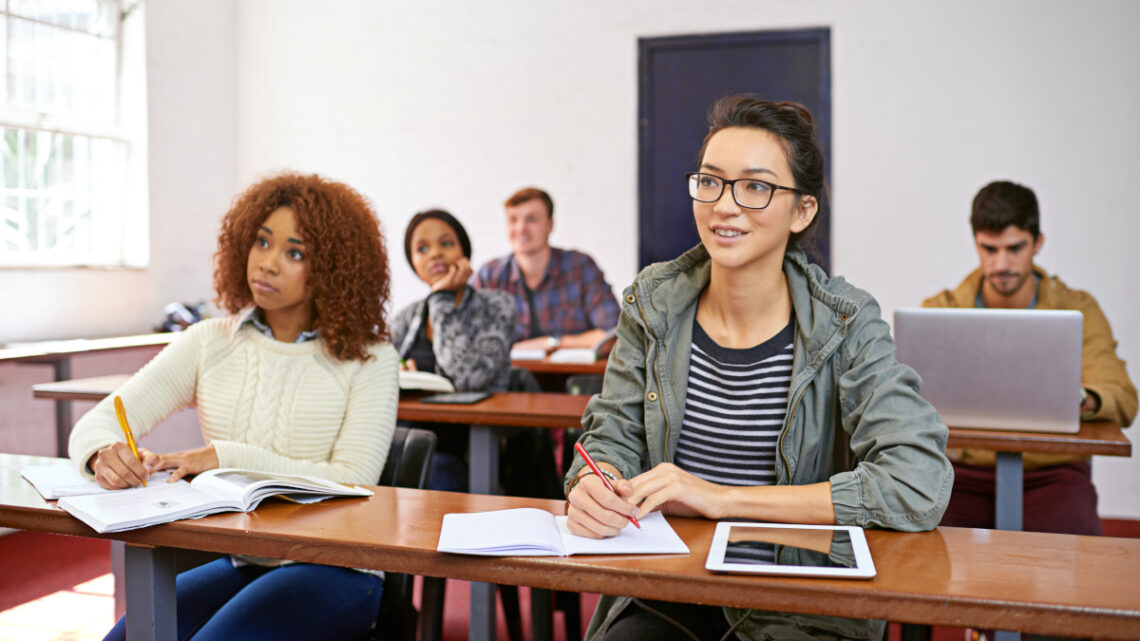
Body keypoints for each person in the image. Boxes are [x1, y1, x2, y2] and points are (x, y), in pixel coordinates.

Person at [564, 95, 953, 641]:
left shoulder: (845, 322)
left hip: (800, 596)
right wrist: (593, 480)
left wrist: (723, 500)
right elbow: (611, 437)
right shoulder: (653, 304)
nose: (725, 205)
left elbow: (918, 482)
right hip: (671, 584)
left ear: (802, 211)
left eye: (756, 186)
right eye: (711, 181)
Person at [69, 172, 399, 641]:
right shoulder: (210, 341)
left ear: (332, 268)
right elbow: (100, 419)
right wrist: (102, 452)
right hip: (243, 559)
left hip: (339, 567)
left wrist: (223, 457)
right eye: (262, 242)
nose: (267, 263)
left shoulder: (370, 359)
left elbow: (352, 480)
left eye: (294, 253)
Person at [923, 180, 1137, 535]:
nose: (1001, 263)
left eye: (1014, 248)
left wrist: (1083, 400)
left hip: (1053, 472)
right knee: (919, 555)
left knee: (1078, 569)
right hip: (962, 472)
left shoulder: (1078, 309)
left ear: (1037, 243)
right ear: (975, 243)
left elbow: (1122, 395)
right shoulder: (942, 309)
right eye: (989, 249)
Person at [391, 209, 515, 491]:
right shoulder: (406, 318)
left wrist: (442, 299)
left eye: (446, 243)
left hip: (469, 447)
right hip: (409, 440)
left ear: (464, 251)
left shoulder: (497, 306)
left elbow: (465, 377)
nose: (435, 253)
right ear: (413, 262)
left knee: (435, 472)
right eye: (423, 248)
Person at [471, 186, 620, 354]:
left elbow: (614, 335)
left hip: (573, 377)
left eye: (531, 219)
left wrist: (552, 343)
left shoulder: (580, 267)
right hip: (509, 378)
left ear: (550, 225)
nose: (521, 228)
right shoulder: (489, 276)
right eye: (513, 220)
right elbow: (466, 338)